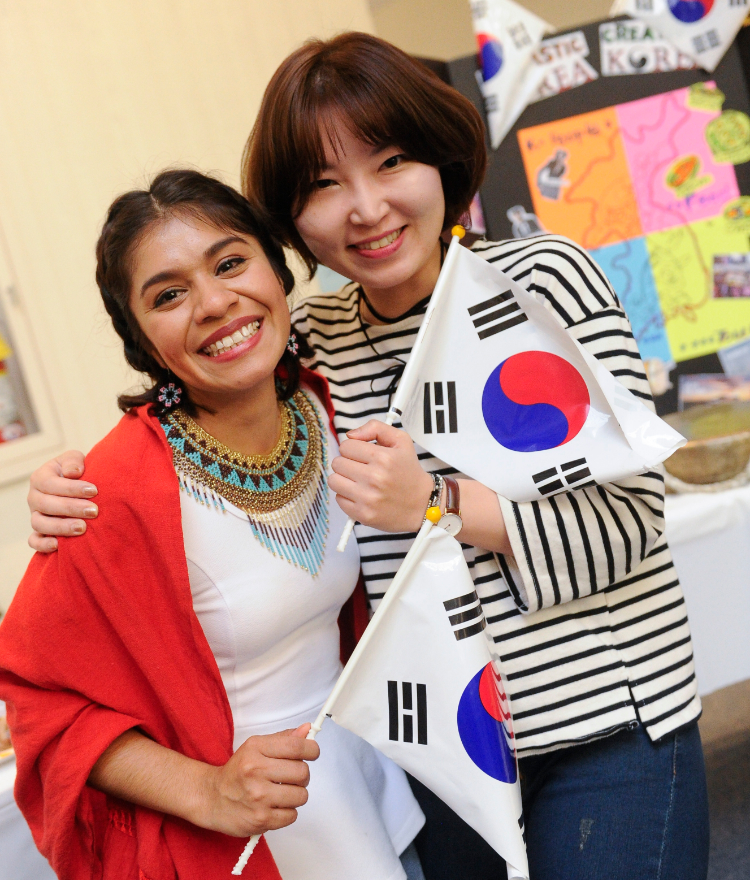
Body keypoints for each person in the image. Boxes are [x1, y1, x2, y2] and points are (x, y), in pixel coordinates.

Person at [26, 33, 710, 880]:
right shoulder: (312, 345)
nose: (366, 208)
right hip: (435, 760)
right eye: (322, 184)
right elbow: (202, 392)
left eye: (391, 162)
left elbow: (627, 530)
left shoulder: (543, 282)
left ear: (440, 162)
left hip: (600, 731)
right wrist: (68, 484)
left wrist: (440, 505)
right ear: (291, 222)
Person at [2, 169, 426, 880]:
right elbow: (43, 698)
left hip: (379, 796)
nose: (215, 302)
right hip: (249, 848)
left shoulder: (329, 404)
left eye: (231, 262)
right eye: (168, 295)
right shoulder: (115, 491)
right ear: (139, 338)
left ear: (274, 262)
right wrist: (206, 791)